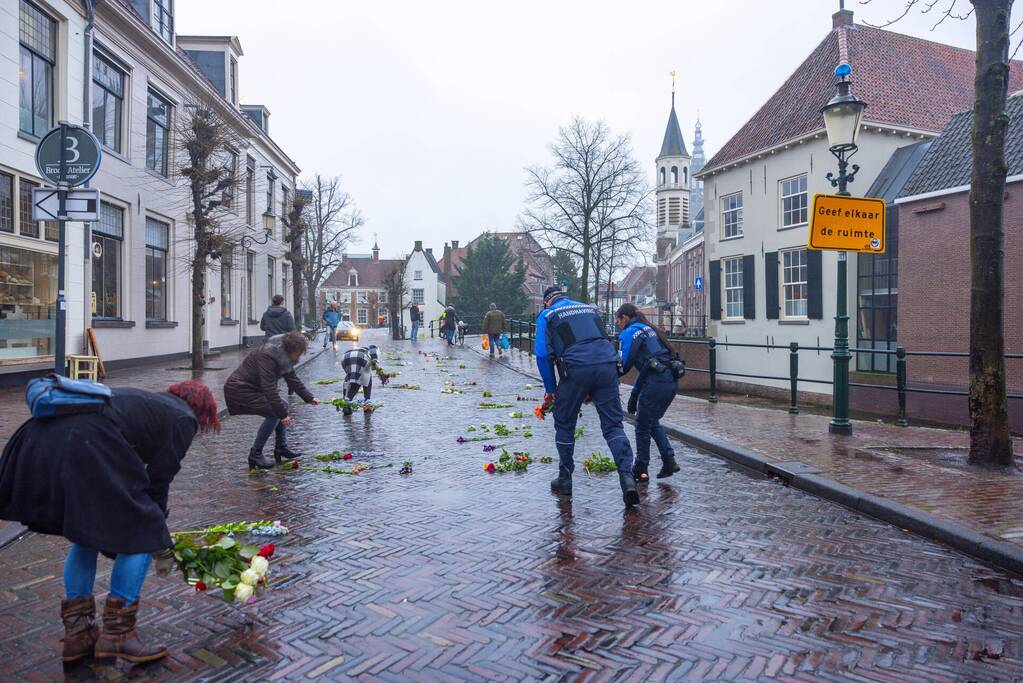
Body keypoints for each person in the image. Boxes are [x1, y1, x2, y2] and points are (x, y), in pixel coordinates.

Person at [0, 380, 220, 668]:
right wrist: (158, 533)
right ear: (203, 410)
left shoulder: (145, 400)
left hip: (40, 437)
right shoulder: (183, 418)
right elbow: (158, 479)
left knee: (87, 533)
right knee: (144, 531)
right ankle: (119, 635)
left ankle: (78, 636)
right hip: (89, 440)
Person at [535, 285, 639, 507]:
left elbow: (543, 355)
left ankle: (565, 478)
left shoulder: (548, 314)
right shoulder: (590, 309)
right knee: (613, 425)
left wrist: (551, 389)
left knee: (564, 421)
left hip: (576, 368)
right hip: (607, 366)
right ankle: (627, 477)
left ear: (547, 302)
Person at [224, 332, 320, 469]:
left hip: (251, 389)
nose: (300, 356)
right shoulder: (267, 356)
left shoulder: (283, 356)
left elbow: (292, 378)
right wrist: (282, 415)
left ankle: (281, 448)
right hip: (239, 390)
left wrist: (309, 397)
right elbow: (268, 387)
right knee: (274, 412)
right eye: (299, 353)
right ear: (291, 350)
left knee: (282, 406)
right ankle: (255, 454)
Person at [616, 303, 682, 481]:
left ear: (625, 318)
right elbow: (646, 367)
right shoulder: (649, 329)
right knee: (652, 422)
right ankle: (669, 460)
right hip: (671, 381)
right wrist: (634, 395)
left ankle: (641, 470)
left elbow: (623, 365)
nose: (618, 324)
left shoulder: (630, 332)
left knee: (642, 427)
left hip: (656, 384)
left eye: (618, 320)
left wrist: (607, 376)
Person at [339, 344, 388, 415]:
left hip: (345, 357)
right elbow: (375, 362)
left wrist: (344, 396)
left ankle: (346, 403)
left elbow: (347, 381)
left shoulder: (361, 349)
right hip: (360, 358)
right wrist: (382, 375)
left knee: (351, 379)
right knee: (363, 380)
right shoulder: (375, 350)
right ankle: (367, 403)